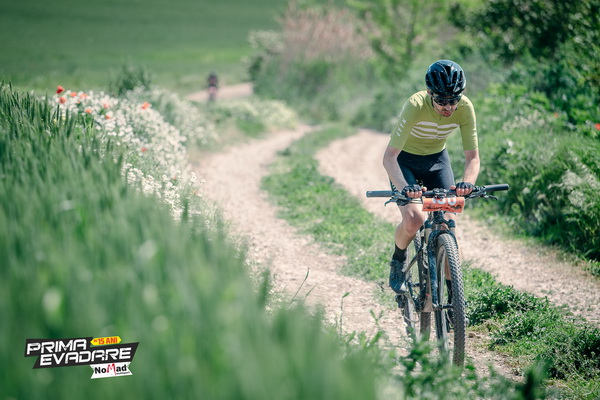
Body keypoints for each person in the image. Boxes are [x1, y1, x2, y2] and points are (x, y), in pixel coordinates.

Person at [382, 60, 480, 293]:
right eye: (441, 101)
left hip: (437, 162)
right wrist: (405, 187)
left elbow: (473, 158)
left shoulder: (465, 107)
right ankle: (398, 260)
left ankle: (455, 298)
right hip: (405, 161)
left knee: (447, 225)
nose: (448, 107)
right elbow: (389, 158)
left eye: (454, 100)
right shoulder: (415, 105)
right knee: (414, 219)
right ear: (429, 93)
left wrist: (467, 184)